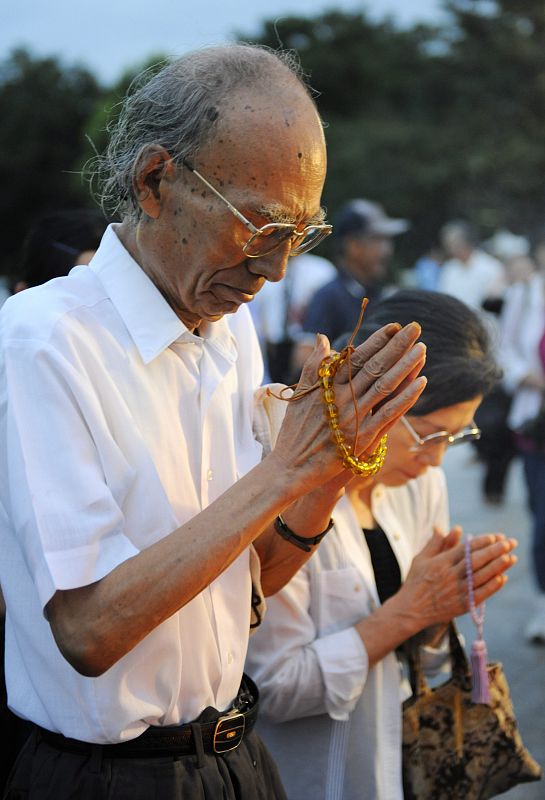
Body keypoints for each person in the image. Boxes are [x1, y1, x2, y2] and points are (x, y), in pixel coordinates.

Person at [0, 45, 428, 800]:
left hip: (233, 757)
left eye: (301, 235)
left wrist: (327, 473)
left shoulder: (226, 330)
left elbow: (248, 585)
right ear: (156, 180)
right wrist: (285, 468)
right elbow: (89, 634)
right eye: (260, 227)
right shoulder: (43, 340)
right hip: (106, 778)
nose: (276, 271)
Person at [246, 289, 518, 800]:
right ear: (373, 393)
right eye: (431, 435)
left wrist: (441, 609)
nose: (435, 463)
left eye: (456, 438)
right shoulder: (276, 476)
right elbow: (270, 687)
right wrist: (407, 614)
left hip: (395, 764)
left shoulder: (419, 483)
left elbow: (419, 665)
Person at [499, 250, 545, 642]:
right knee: (543, 515)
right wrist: (526, 376)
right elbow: (505, 349)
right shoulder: (528, 295)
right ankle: (543, 604)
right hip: (537, 423)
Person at [301, 198, 409, 343]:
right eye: (376, 240)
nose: (386, 251)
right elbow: (304, 360)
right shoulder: (328, 297)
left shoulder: (379, 293)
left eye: (387, 241)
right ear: (352, 246)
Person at [438, 219, 506, 311]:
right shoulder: (449, 268)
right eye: (447, 244)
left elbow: (494, 302)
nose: (449, 248)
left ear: (466, 241)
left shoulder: (491, 267)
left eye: (452, 243)